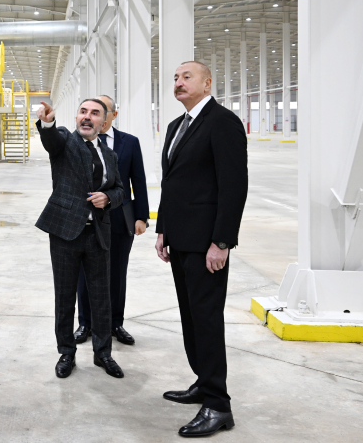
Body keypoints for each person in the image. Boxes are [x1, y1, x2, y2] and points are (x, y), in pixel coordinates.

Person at [155, 61, 247, 437]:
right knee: (191, 317)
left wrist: (221, 242)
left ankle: (218, 405)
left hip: (206, 242)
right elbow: (172, 183)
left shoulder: (222, 122)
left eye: (186, 77)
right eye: (176, 78)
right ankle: (203, 382)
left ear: (207, 83)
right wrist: (163, 229)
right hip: (180, 240)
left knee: (206, 320)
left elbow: (234, 186)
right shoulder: (177, 126)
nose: (178, 82)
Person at [35, 99, 125, 380]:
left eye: (95, 113)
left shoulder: (109, 155)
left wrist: (107, 197)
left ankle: (103, 353)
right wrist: (47, 123)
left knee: (101, 297)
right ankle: (66, 352)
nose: (87, 117)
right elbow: (51, 139)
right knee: (65, 297)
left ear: (104, 122)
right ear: (76, 117)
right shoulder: (65, 141)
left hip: (98, 233)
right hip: (65, 232)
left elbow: (120, 189)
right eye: (83, 112)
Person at [74, 95, 149, 347]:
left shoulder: (129, 142)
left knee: (117, 273)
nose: (94, 116)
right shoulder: (79, 141)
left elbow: (138, 181)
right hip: (87, 219)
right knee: (85, 273)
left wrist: (141, 217)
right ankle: (85, 323)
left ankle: (116, 322)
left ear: (112, 115)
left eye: (101, 111)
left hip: (119, 219)